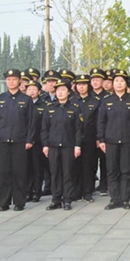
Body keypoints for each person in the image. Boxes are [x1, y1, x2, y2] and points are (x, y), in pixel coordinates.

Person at [97, 69, 130, 210]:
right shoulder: (106, 100)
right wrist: (101, 140)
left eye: (122, 81)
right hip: (110, 141)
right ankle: (114, 199)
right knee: (112, 171)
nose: (119, 83)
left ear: (126, 84)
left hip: (128, 141)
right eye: (116, 81)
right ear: (112, 84)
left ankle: (125, 199)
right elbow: (101, 122)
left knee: (126, 171)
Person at [0, 69, 36, 212]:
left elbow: (31, 122)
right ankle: (3, 202)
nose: (11, 82)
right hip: (2, 141)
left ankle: (19, 202)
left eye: (14, 79)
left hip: (20, 141)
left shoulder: (26, 99)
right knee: (3, 172)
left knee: (19, 173)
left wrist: (30, 140)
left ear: (20, 81)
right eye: (8, 79)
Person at [41, 81, 84, 211]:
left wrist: (77, 146)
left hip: (68, 145)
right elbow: (44, 129)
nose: (60, 92)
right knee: (55, 173)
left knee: (68, 173)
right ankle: (56, 200)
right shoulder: (50, 108)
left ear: (68, 92)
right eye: (58, 90)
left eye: (63, 90)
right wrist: (45, 145)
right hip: (53, 146)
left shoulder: (75, 108)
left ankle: (67, 200)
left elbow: (79, 129)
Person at [73, 74, 100, 202]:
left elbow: (99, 121)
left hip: (90, 138)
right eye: (79, 84)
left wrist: (99, 137)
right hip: (74, 139)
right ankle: (76, 192)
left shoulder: (95, 101)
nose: (81, 87)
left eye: (84, 84)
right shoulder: (72, 101)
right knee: (75, 165)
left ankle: (88, 192)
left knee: (89, 165)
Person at [26, 80, 46, 202]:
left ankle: (36, 192)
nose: (31, 92)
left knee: (37, 168)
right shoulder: (23, 104)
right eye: (29, 89)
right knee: (26, 167)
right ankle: (27, 191)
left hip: (38, 141)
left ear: (39, 92)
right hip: (25, 141)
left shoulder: (44, 105)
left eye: (34, 89)